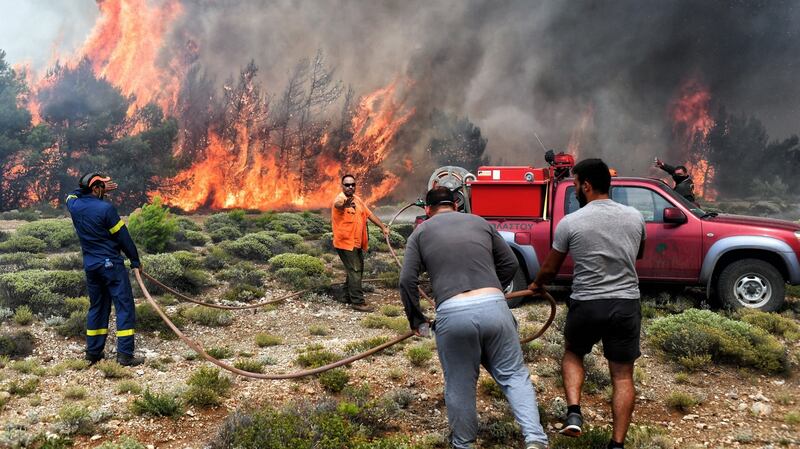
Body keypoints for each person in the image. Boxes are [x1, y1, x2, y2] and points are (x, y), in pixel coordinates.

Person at [399, 187, 549, 449]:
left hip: (453, 313)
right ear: (456, 206)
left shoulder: (421, 232)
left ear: (427, 210)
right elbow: (510, 265)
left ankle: (463, 444)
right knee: (514, 375)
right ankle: (535, 439)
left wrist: (418, 322)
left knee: (460, 385)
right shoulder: (480, 222)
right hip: (494, 307)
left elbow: (406, 281)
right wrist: (494, 289)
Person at [530, 159, 645, 449]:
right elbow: (638, 254)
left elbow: (550, 269)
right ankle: (616, 444)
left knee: (573, 353)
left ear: (587, 185)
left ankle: (574, 413)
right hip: (625, 303)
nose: (575, 189)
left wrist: (536, 285)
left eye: (576, 183)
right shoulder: (635, 217)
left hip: (587, 302)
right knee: (621, 376)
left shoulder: (571, 222)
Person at [65, 173, 144, 367]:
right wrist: (135, 260)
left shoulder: (74, 206)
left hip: (91, 266)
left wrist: (88, 186)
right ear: (96, 188)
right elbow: (123, 237)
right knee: (124, 306)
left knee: (98, 307)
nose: (104, 191)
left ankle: (93, 353)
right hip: (111, 265)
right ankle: (125, 355)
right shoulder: (106, 209)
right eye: (102, 187)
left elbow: (71, 195)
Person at [331, 174, 390, 312]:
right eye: (347, 185)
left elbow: (370, 215)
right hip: (345, 243)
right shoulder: (340, 199)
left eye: (352, 184)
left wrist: (383, 227)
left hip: (356, 243)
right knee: (355, 270)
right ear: (342, 186)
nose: (350, 187)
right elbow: (338, 204)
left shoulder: (357, 200)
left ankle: (346, 295)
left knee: (355, 269)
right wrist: (345, 204)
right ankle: (357, 302)